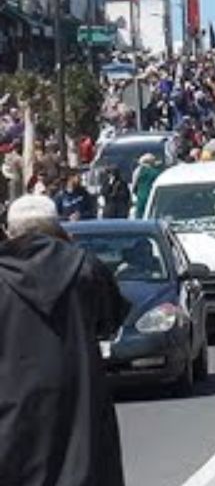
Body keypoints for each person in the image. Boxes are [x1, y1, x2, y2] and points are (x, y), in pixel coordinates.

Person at [0, 195, 129, 485]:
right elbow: (110, 321)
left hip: (12, 414)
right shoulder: (85, 268)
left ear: (9, 232)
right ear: (57, 229)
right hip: (78, 410)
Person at [131, 153, 163, 219]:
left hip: (140, 198)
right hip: (152, 197)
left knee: (139, 217)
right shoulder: (156, 173)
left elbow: (134, 187)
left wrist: (138, 193)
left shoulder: (138, 171)